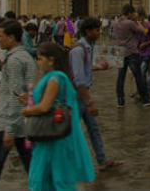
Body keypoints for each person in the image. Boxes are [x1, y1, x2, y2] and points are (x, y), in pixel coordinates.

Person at [23, 42, 95, 191]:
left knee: (52, 177)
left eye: (40, 59)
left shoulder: (55, 78)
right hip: (51, 136)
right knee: (52, 176)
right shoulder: (52, 77)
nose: (38, 62)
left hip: (53, 138)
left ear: (51, 60)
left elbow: (44, 107)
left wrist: (26, 111)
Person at [0, 19, 36, 191]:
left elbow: (14, 96)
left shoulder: (14, 61)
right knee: (32, 167)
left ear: (11, 37)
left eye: (0, 36)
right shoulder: (25, 57)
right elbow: (10, 93)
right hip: (22, 124)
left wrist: (9, 129)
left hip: (8, 124)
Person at [69, 18, 123, 172]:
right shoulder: (78, 49)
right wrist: (89, 102)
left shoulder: (87, 47)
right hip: (77, 97)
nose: (99, 33)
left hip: (82, 95)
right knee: (71, 131)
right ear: (87, 31)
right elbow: (79, 79)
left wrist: (99, 67)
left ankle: (102, 160)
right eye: (96, 30)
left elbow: (84, 69)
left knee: (93, 129)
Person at [113, 5, 150, 107]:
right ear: (129, 13)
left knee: (120, 77)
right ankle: (145, 100)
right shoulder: (130, 23)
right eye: (134, 13)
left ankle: (120, 101)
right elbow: (144, 31)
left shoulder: (115, 23)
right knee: (138, 76)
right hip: (131, 53)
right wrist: (137, 21)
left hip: (120, 52)